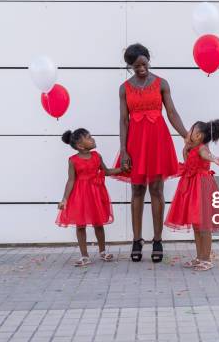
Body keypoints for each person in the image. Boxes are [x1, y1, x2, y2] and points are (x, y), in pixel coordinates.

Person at [113, 43, 188, 263]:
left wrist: (186, 135)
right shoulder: (124, 88)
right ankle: (137, 240)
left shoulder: (162, 83)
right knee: (137, 189)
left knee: (157, 188)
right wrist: (124, 150)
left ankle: (157, 240)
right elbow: (123, 120)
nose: (141, 69)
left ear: (148, 60)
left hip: (157, 140)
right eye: (136, 66)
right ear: (130, 66)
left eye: (144, 64)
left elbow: (172, 112)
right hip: (135, 142)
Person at [164, 119, 219, 271]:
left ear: (198, 136)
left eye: (191, 130)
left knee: (204, 224)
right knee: (197, 225)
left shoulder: (201, 148)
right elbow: (188, 165)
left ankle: (206, 259)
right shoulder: (191, 148)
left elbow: (207, 155)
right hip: (192, 185)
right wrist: (185, 151)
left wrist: (216, 160)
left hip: (202, 186)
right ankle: (200, 257)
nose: (188, 132)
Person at [57, 128, 126, 267]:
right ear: (80, 146)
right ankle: (84, 256)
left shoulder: (96, 156)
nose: (93, 139)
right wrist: (64, 199)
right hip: (80, 196)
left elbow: (106, 171)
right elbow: (71, 180)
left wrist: (122, 169)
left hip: (96, 194)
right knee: (80, 225)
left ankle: (102, 251)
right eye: (89, 137)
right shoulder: (73, 160)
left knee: (98, 223)